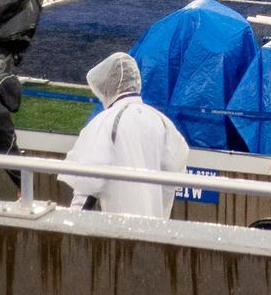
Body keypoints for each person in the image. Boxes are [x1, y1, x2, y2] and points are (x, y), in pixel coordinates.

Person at [64, 53, 190, 218]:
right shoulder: (161, 121)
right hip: (156, 226)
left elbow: (87, 185)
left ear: (107, 86)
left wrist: (72, 223)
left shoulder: (105, 121)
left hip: (117, 228)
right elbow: (176, 168)